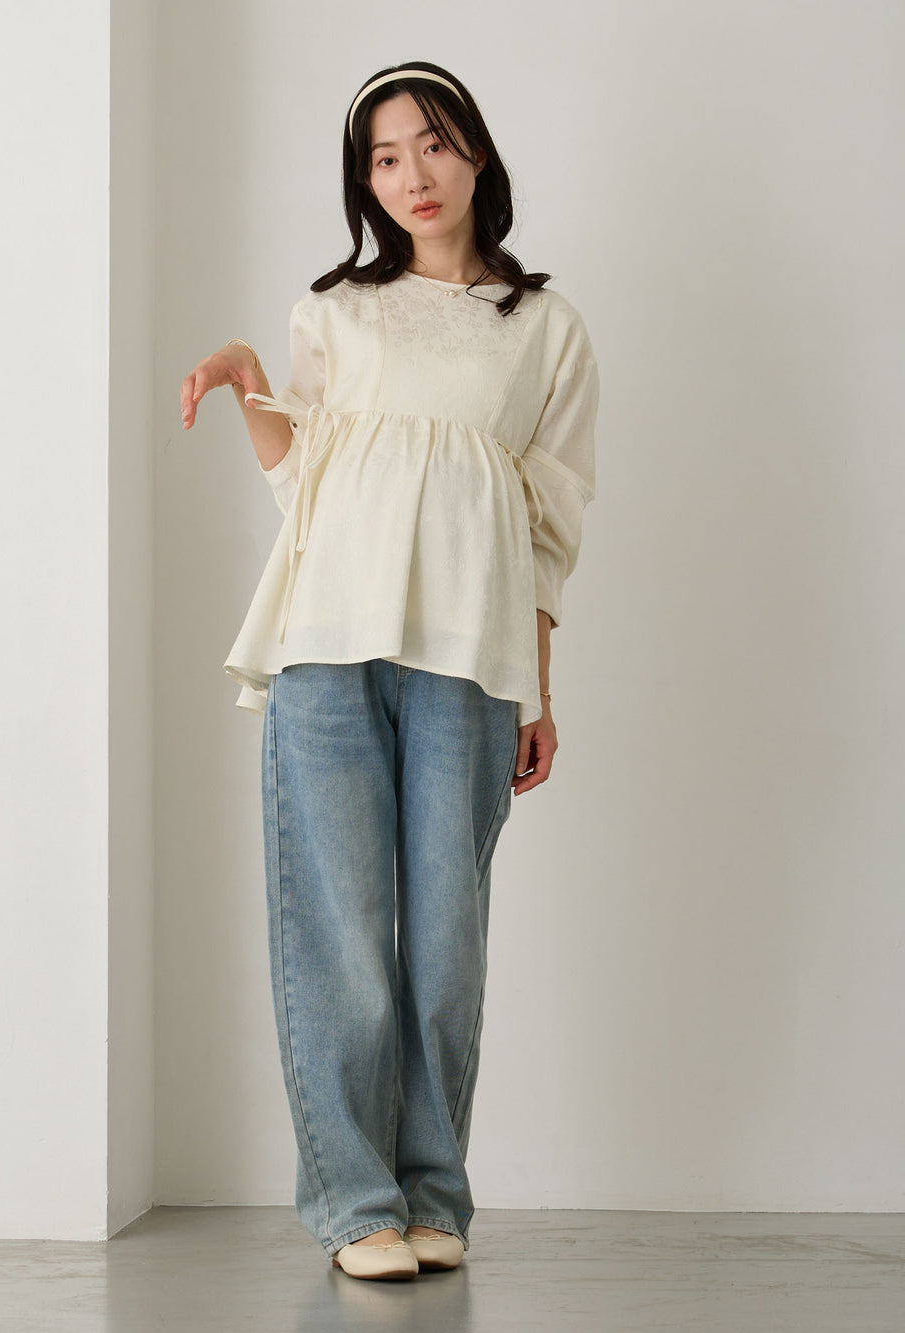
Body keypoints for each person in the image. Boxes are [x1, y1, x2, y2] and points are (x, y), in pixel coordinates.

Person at [179, 60, 599, 1282]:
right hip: (326, 648)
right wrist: (246, 370)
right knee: (341, 938)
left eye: (432, 144)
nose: (412, 174)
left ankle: (432, 1197)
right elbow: (301, 480)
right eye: (383, 156)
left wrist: (539, 688)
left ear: (476, 153)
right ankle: (356, 1202)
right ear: (363, 180)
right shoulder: (336, 314)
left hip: (470, 658)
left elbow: (549, 527)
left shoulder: (545, 329)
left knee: (447, 945)